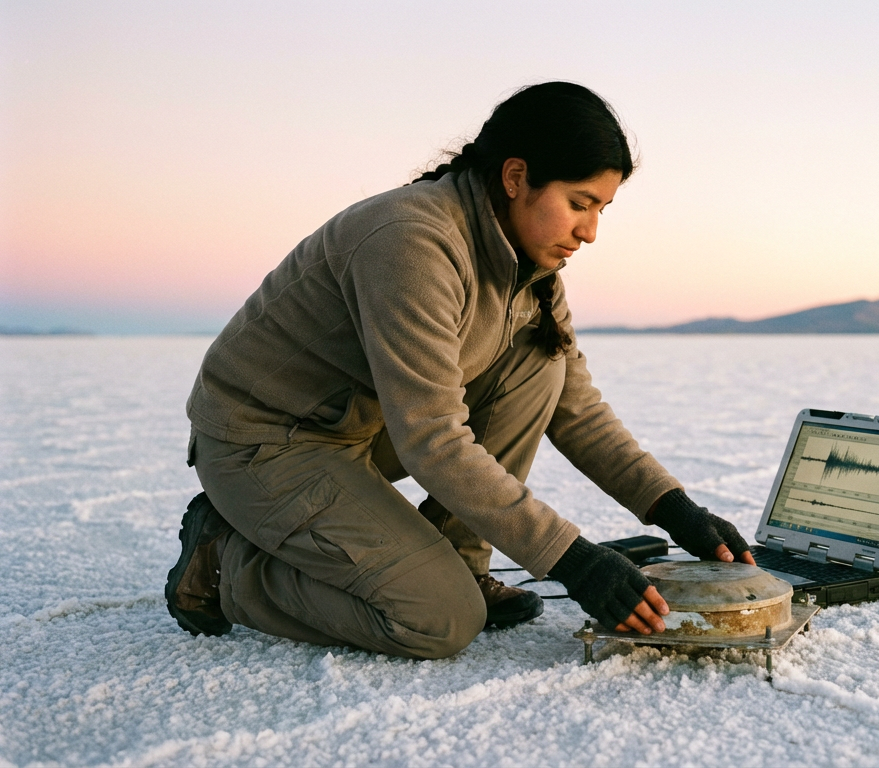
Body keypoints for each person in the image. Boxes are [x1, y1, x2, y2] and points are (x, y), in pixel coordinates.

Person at [165, 82, 755, 659]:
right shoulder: (412, 241)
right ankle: (223, 566)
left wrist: (676, 510)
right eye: (579, 204)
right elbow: (433, 438)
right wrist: (574, 561)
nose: (590, 231)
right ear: (516, 177)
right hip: (269, 443)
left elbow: (576, 408)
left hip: (364, 430)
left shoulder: (530, 269)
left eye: (602, 208)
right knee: (437, 618)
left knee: (539, 367)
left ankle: (460, 561)